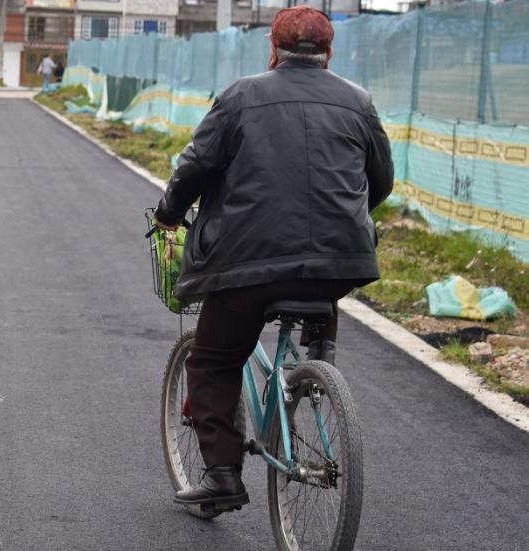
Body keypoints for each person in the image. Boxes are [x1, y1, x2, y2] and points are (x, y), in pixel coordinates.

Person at [155, 6, 393, 509]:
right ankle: (319, 357)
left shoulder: (242, 95)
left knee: (215, 360)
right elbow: (381, 180)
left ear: (272, 47)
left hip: (247, 266)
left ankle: (222, 477)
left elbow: (196, 167)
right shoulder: (359, 101)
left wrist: (169, 214)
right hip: (340, 261)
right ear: (329, 53)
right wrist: (344, 218)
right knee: (320, 279)